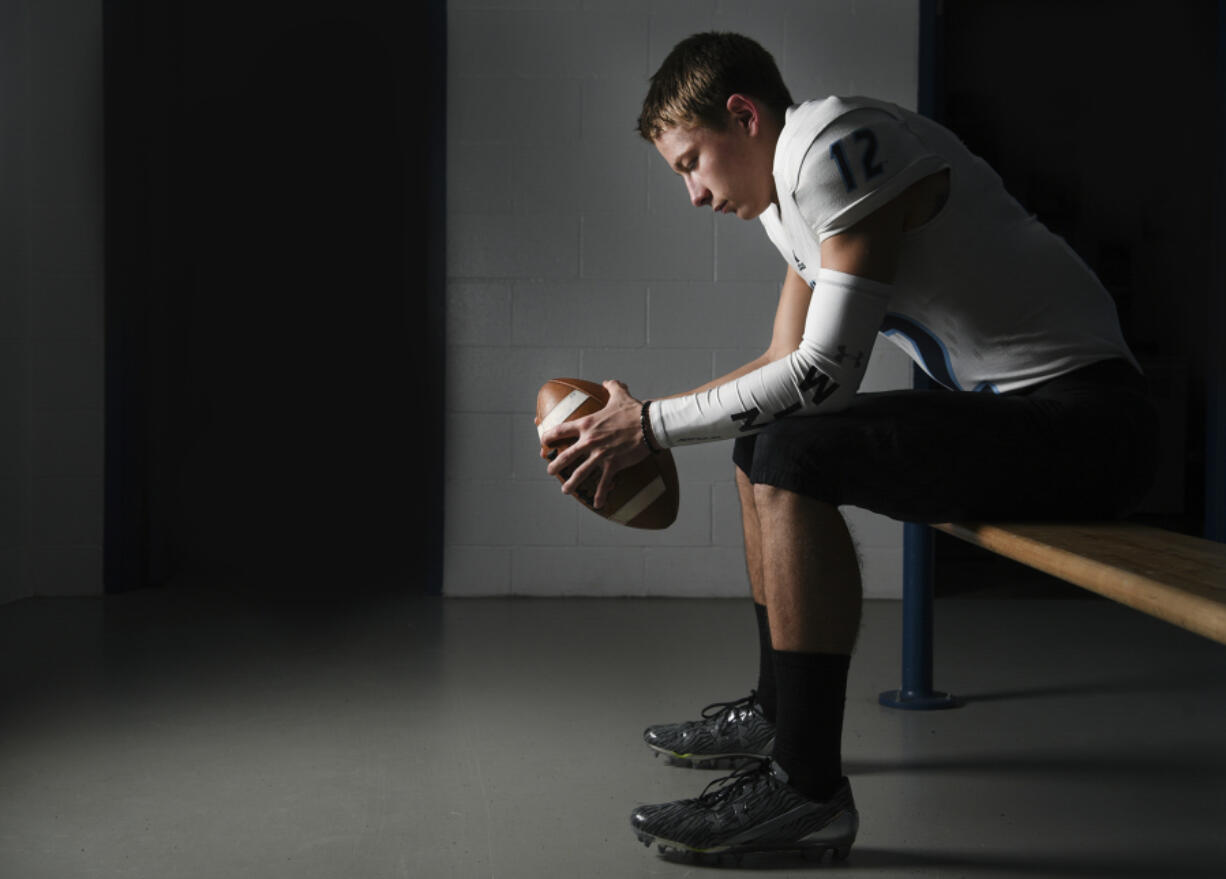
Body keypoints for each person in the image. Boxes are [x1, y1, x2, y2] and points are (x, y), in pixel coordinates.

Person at [539, 31, 1157, 861]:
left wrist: (648, 424)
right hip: (1021, 418)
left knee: (795, 451)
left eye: (692, 161)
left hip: (1090, 427)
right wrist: (652, 419)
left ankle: (807, 789)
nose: (691, 193)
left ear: (743, 116)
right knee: (765, 442)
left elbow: (827, 376)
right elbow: (779, 364)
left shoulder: (832, 149)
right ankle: (777, 714)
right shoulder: (788, 202)